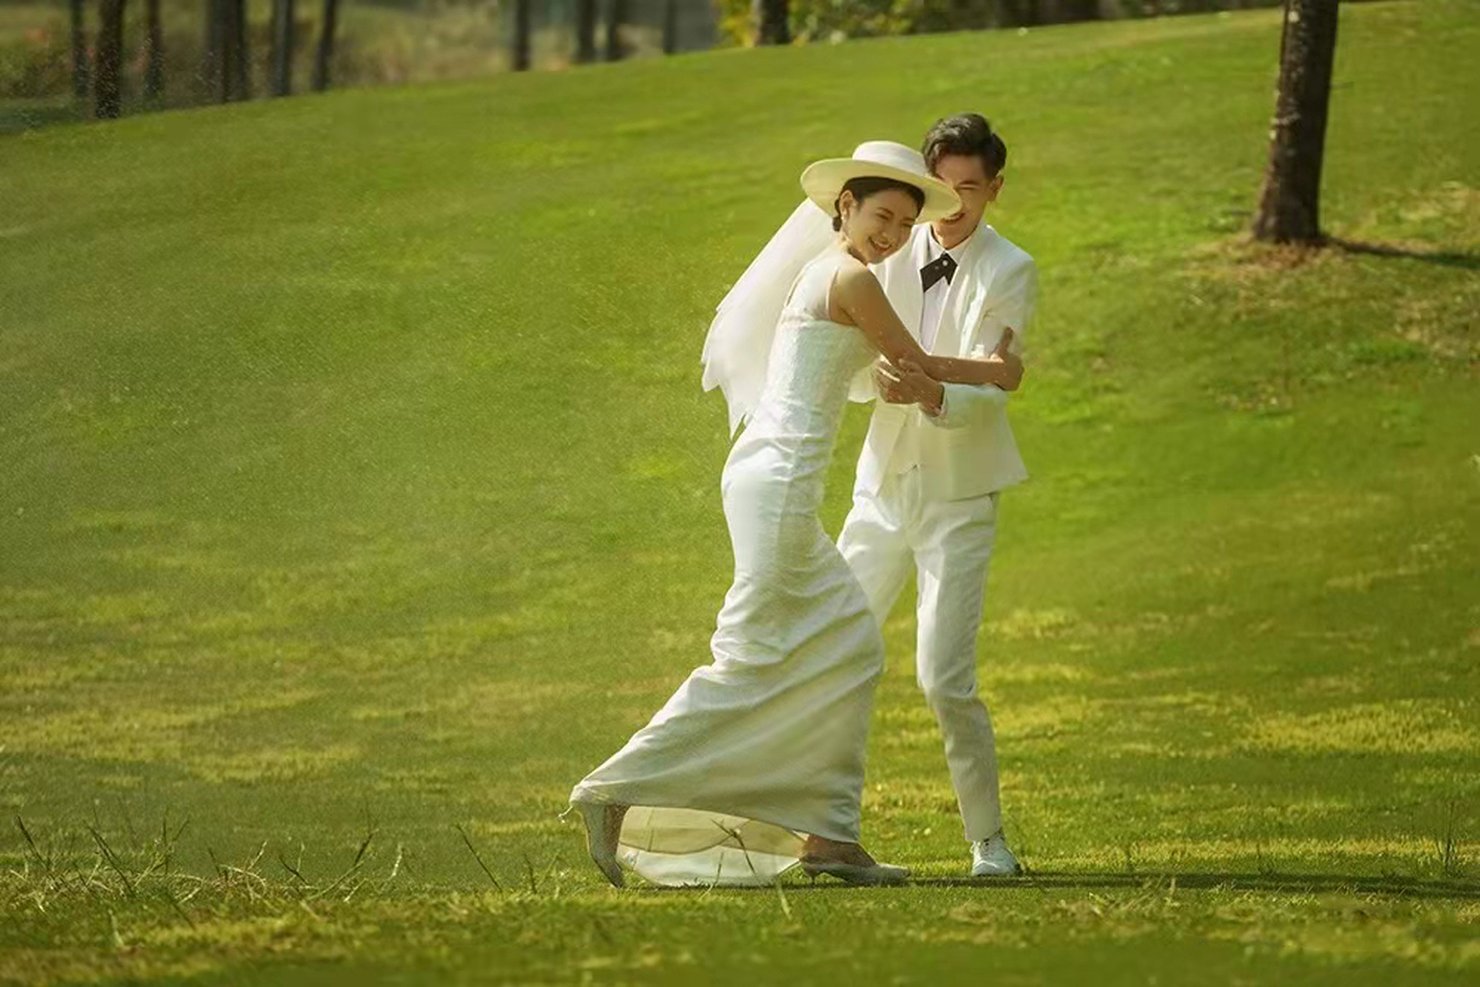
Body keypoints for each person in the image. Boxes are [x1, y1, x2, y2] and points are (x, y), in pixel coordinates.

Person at [566, 141, 1021, 888]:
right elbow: (913, 361)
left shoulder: (828, 272)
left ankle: (830, 836)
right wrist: (1000, 372)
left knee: (848, 646)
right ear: (845, 206)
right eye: (882, 216)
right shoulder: (851, 276)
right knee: (753, 657)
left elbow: (878, 374)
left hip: (770, 480)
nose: (892, 235)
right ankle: (614, 788)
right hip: (777, 484)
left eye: (905, 224)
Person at [838, 114, 1037, 878]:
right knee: (832, 649)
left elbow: (995, 390)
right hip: (882, 488)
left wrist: (935, 391)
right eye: (941, 187)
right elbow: (852, 358)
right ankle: (822, 830)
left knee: (943, 678)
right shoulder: (886, 245)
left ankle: (988, 840)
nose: (953, 205)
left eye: (970, 189)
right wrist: (886, 377)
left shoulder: (1011, 268)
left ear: (995, 189)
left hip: (960, 496)